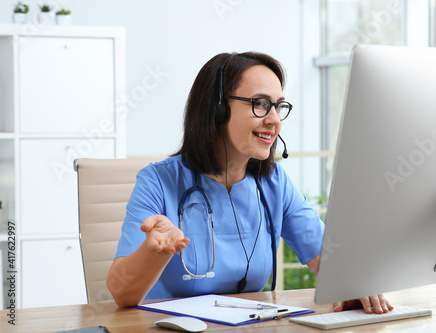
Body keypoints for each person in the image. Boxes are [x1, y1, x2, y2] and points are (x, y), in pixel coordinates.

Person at [106, 51, 393, 314]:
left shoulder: (275, 183)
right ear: (217, 109)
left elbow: (331, 263)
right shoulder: (158, 181)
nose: (275, 120)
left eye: (279, 106)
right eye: (261, 104)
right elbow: (122, 294)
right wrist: (153, 252)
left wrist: (355, 284)